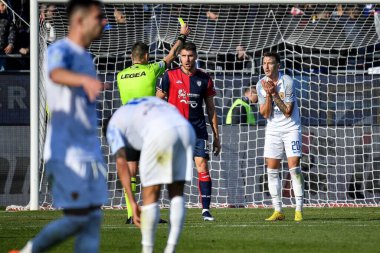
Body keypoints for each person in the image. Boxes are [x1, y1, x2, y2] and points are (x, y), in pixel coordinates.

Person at [11, 1, 108, 252]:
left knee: (91, 219)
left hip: (87, 149)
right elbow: (55, 73)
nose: (105, 23)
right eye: (99, 17)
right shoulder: (60, 50)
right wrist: (84, 81)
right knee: (80, 219)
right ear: (79, 21)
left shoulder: (86, 56)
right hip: (66, 151)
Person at [116, 23, 190, 224]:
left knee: (131, 171)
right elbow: (172, 55)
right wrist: (181, 35)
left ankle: (132, 215)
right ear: (147, 57)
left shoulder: (120, 76)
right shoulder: (151, 70)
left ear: (131, 57)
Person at [104, 97, 195, 253]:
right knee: (176, 192)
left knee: (151, 192)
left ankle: (147, 250)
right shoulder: (140, 104)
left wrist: (132, 202)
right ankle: (171, 249)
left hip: (161, 132)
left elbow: (121, 161)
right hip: (186, 129)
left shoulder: (113, 125)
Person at [156, 42, 221, 221]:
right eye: (184, 56)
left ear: (196, 57)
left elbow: (211, 109)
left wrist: (216, 136)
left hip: (197, 131)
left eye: (190, 56)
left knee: (202, 166)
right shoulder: (169, 76)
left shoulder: (205, 78)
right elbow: (157, 103)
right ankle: (172, 207)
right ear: (179, 57)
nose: (187, 59)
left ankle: (206, 210)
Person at [256, 51, 304, 222]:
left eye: (270, 63)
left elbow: (288, 112)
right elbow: (265, 113)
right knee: (272, 169)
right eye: (264, 63)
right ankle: (278, 210)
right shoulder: (260, 84)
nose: (266, 66)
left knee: (294, 167)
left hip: (291, 128)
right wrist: (268, 94)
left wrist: (275, 93)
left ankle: (298, 209)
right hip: (273, 130)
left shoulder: (287, 81)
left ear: (278, 65)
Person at [0, 1, 16, 71]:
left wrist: (11, 44)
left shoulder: (8, 18)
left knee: (3, 73)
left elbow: (12, 32)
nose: (4, 7)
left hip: (2, 51)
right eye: (2, 5)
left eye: (5, 5)